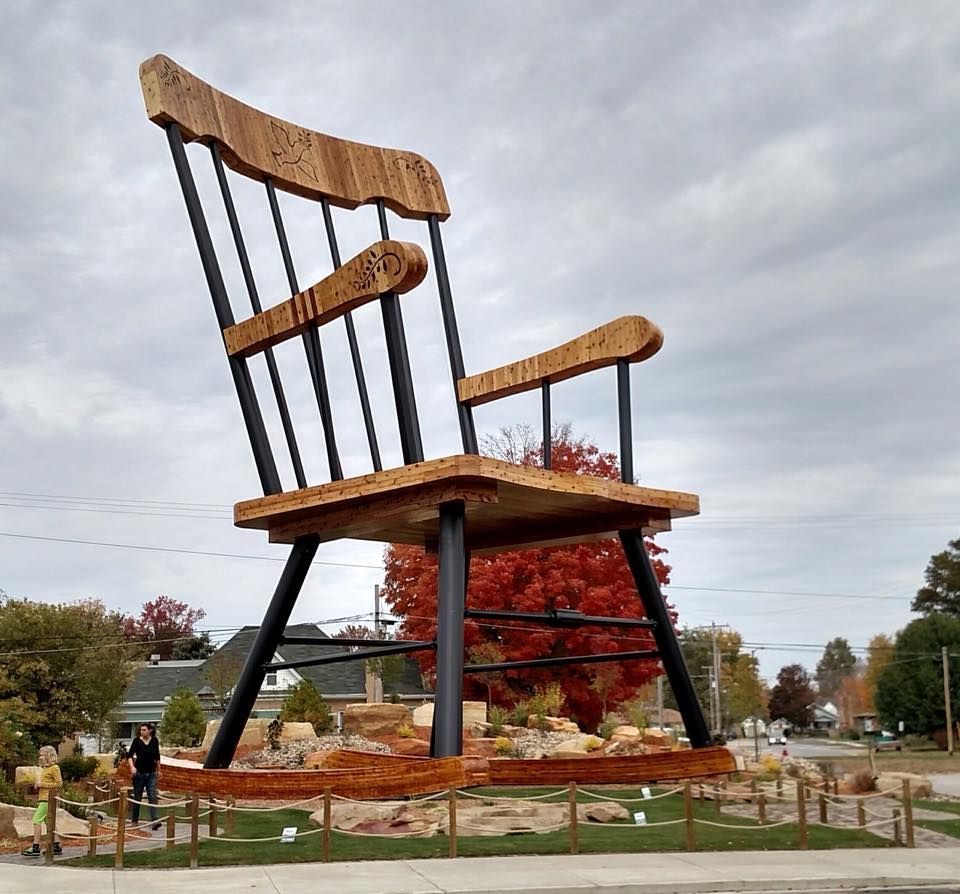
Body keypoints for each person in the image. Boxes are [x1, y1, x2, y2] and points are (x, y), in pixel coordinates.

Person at [21, 745, 63, 857]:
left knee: (36, 820)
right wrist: (36, 785)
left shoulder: (55, 768)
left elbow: (59, 784)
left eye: (43, 754)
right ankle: (57, 845)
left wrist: (42, 784)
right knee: (49, 822)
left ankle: (36, 847)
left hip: (48, 799)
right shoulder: (44, 769)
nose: (41, 757)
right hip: (42, 798)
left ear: (49, 755)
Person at [128, 723, 162, 830]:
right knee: (137, 797)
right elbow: (129, 755)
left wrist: (159, 770)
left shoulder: (154, 741)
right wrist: (132, 767)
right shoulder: (137, 741)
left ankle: (155, 820)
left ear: (150, 731)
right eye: (141, 730)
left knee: (152, 795)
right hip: (139, 774)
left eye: (144, 730)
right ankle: (134, 820)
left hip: (151, 773)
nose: (142, 732)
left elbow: (157, 756)